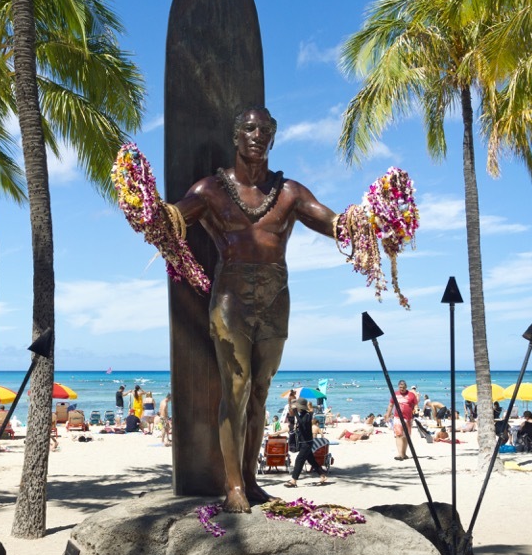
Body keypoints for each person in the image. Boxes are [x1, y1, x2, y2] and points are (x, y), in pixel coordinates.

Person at [168, 106, 343, 513]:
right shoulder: (211, 189)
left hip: (275, 296)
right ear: (235, 135)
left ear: (273, 137)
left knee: (261, 392)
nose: (256, 136)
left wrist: (367, 222)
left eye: (265, 130)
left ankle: (250, 478)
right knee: (236, 389)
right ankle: (232, 486)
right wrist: (150, 210)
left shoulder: (289, 192)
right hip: (230, 296)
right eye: (249, 128)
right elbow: (177, 215)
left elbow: (331, 221)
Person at [285, 399, 325, 487]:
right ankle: (322, 475)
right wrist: (291, 412)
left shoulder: (307, 415)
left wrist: (295, 413)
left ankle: (293, 480)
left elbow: (302, 424)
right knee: (311, 460)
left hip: (307, 443)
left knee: (299, 460)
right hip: (303, 442)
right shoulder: (302, 415)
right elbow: (293, 422)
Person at [385, 379, 418, 462]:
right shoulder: (395, 394)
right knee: (398, 434)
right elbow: (390, 405)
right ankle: (400, 454)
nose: (401, 389)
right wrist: (387, 415)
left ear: (406, 387)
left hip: (408, 418)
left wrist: (417, 411)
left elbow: (415, 405)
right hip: (397, 418)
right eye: (400, 387)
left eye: (403, 387)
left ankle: (404, 454)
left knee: (406, 436)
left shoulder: (411, 395)